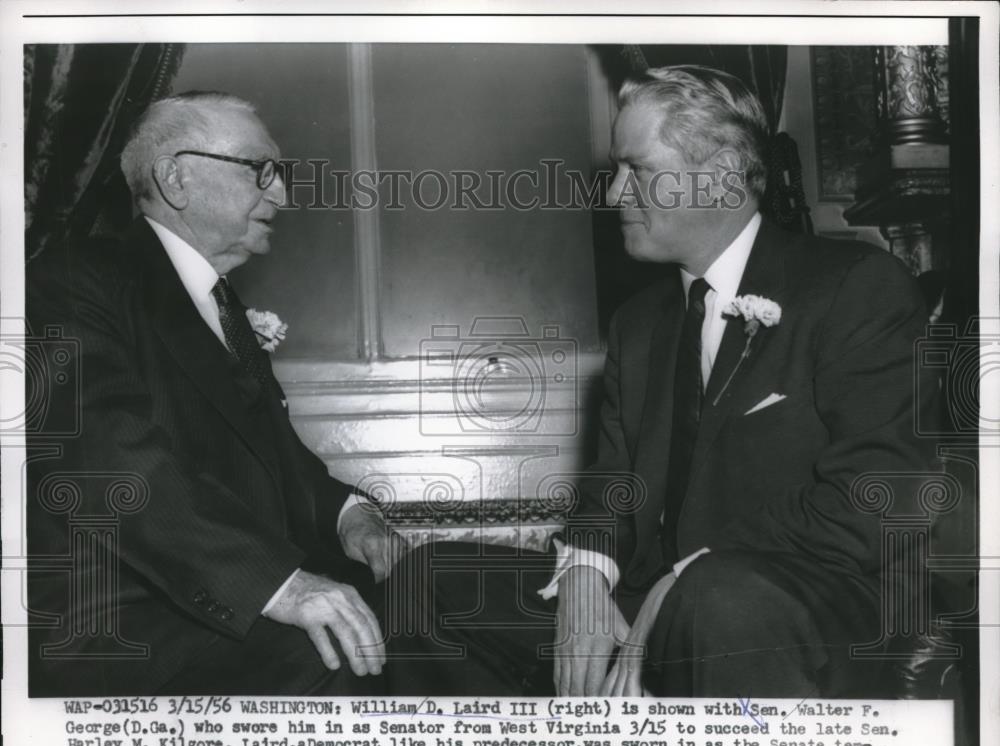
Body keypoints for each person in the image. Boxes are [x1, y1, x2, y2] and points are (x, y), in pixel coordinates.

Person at [390, 65, 939, 698]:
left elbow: (878, 495)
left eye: (638, 171)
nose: (615, 193)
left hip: (804, 596)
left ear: (723, 178)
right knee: (425, 583)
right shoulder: (640, 322)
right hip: (664, 592)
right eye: (615, 170)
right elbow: (613, 483)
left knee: (717, 601)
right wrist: (586, 576)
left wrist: (683, 578)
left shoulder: (856, 287)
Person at [26, 91, 398, 696]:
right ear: (176, 178)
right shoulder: (69, 284)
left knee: (443, 617)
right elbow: (113, 463)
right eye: (261, 170)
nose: (282, 194)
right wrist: (281, 585)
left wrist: (354, 516)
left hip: (221, 616)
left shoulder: (219, 304)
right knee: (380, 672)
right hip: (133, 635)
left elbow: (272, 460)